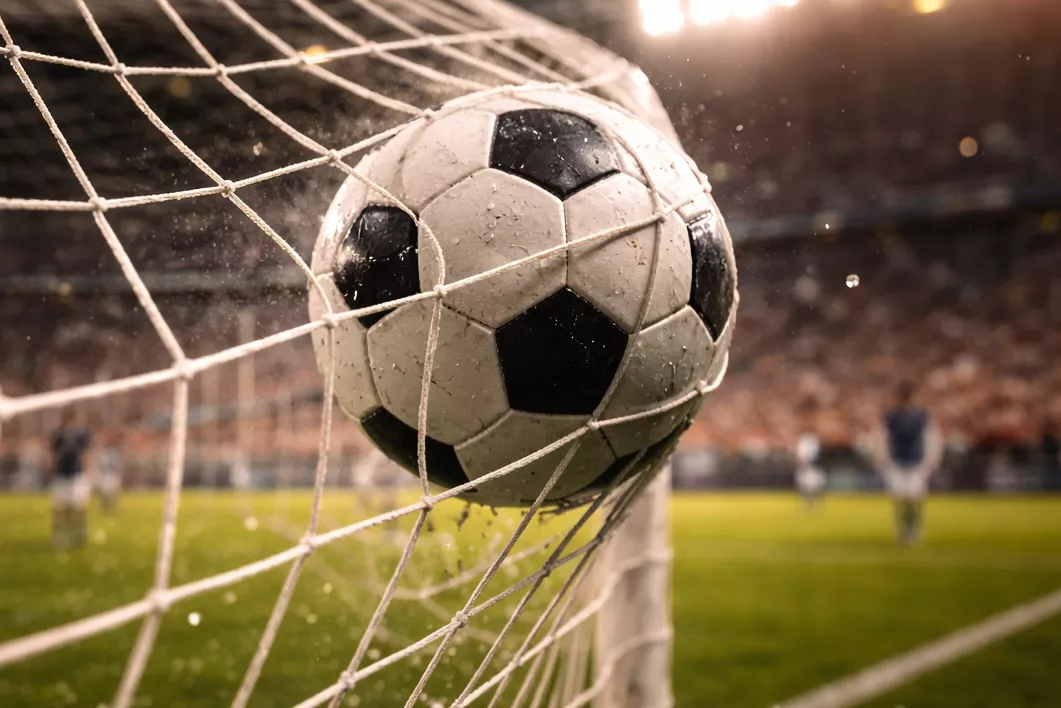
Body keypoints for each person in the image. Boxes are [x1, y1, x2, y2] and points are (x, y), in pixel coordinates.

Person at [872, 382, 943, 545]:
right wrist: (881, 458)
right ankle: (902, 530)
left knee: (915, 499)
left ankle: (915, 529)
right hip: (897, 461)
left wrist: (932, 459)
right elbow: (881, 438)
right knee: (900, 499)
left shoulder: (921, 416)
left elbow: (932, 437)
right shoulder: (891, 416)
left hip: (916, 461)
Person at [50, 410, 92, 549]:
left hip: (76, 474)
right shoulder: (58, 435)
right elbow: (54, 455)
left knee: (78, 506)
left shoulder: (80, 435)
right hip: (63, 474)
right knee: (61, 507)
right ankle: (62, 534)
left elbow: (85, 453)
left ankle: (78, 533)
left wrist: (87, 471)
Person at [794, 399, 827, 509]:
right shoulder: (805, 438)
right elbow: (800, 453)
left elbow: (816, 452)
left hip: (813, 465)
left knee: (815, 485)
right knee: (804, 485)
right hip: (806, 465)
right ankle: (808, 504)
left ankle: (814, 504)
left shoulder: (813, 438)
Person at [96, 431, 124, 514]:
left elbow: (118, 464)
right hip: (105, 474)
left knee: (113, 492)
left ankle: (112, 508)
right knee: (104, 492)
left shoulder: (115, 452)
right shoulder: (103, 452)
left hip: (112, 473)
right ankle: (105, 507)